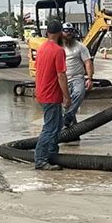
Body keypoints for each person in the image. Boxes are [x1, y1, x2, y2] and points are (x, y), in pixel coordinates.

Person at [34, 20, 72, 170]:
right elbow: (61, 75)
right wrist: (67, 97)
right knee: (50, 128)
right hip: (51, 95)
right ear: (59, 33)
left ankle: (51, 154)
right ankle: (41, 160)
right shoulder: (58, 50)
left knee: (57, 126)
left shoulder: (42, 48)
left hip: (42, 93)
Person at [61, 22, 94, 128]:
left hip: (77, 77)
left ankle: (67, 117)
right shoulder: (58, 47)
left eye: (70, 31)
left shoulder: (80, 46)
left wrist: (89, 79)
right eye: (66, 31)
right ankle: (72, 131)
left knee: (79, 93)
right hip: (62, 78)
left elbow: (88, 62)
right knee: (65, 104)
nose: (68, 33)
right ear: (61, 32)